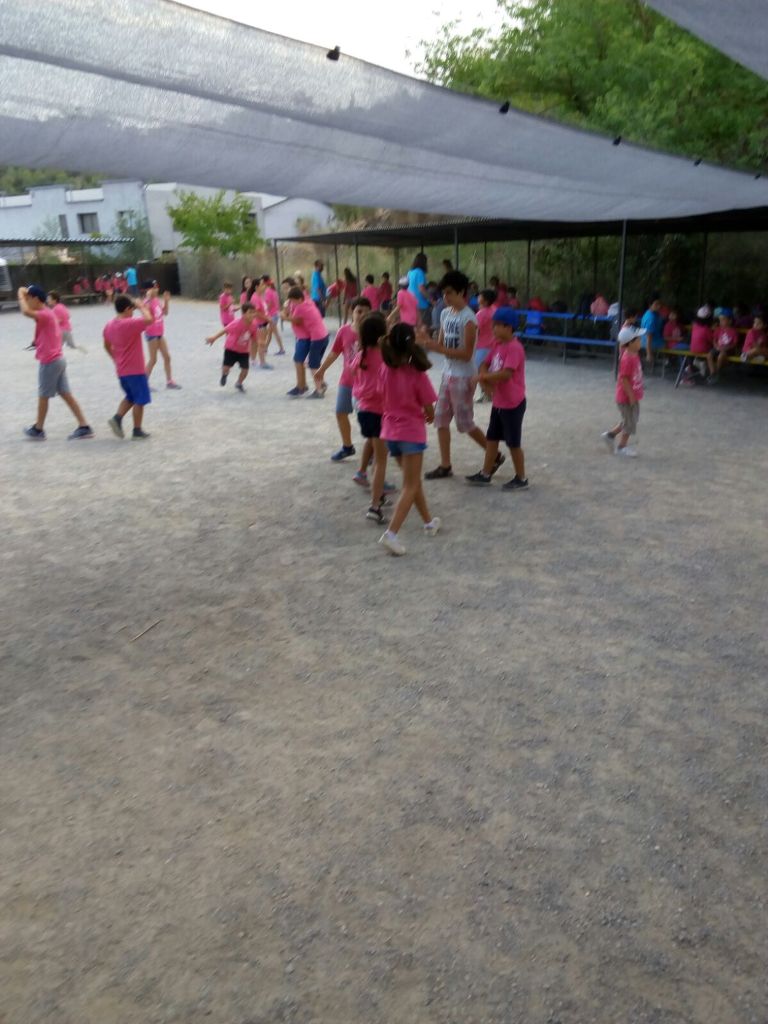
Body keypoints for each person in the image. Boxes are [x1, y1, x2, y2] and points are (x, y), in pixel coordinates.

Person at [423, 271, 501, 480]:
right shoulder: (445, 314)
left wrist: (437, 348)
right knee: (440, 420)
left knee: (464, 423)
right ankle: (445, 465)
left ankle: (494, 454)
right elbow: (440, 343)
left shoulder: (469, 318)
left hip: (463, 376)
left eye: (449, 292)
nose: (445, 297)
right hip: (447, 374)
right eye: (444, 293)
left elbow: (467, 354)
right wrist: (427, 342)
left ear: (461, 292)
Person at [378, 323, 441, 556]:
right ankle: (391, 534)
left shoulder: (384, 369)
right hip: (411, 434)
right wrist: (430, 416)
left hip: (390, 433)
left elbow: (381, 394)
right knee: (410, 485)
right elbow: (429, 406)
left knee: (412, 483)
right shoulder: (417, 373)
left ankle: (429, 522)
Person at [19, 285, 93, 441]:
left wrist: (20, 293)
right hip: (57, 360)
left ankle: (38, 429)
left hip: (50, 361)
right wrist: (27, 294)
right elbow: (30, 309)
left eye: (29, 298)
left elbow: (25, 311)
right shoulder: (46, 312)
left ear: (36, 299)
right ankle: (84, 426)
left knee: (43, 396)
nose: (27, 301)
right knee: (66, 395)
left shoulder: (44, 314)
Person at [466, 307, 528, 489]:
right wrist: (484, 376)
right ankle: (486, 473)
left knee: (513, 443)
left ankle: (521, 478)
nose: (493, 329)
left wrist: (483, 377)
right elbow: (484, 363)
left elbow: (506, 374)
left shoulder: (514, 347)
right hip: (500, 402)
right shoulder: (497, 344)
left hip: (513, 404)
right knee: (492, 438)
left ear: (509, 327)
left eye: (497, 325)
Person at [313, 297, 372, 461]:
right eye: (359, 311)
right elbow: (334, 352)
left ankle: (374, 449)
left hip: (367, 384)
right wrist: (322, 370)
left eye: (366, 312)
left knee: (368, 418)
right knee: (340, 412)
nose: (362, 315)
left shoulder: (374, 332)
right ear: (352, 312)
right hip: (347, 380)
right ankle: (347, 447)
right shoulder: (344, 331)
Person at [349, 312, 390, 524]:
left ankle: (378, 493)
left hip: (363, 410)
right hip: (381, 412)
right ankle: (375, 506)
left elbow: (352, 374)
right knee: (381, 460)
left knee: (375, 450)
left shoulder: (360, 355)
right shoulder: (386, 357)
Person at [104, 294, 155, 439]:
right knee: (140, 400)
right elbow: (149, 319)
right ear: (127, 309)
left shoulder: (109, 325)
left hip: (122, 370)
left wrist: (115, 358)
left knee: (130, 397)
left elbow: (106, 345)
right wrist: (141, 306)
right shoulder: (129, 323)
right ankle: (137, 430)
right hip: (135, 370)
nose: (133, 312)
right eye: (132, 309)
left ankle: (117, 418)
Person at [601, 314, 645, 457]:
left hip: (632, 395)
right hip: (627, 397)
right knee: (630, 423)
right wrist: (631, 396)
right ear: (630, 343)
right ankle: (621, 447)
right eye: (638, 339)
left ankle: (610, 435)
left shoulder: (634, 355)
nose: (641, 341)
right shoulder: (627, 358)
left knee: (629, 420)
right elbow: (624, 379)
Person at [283, 285, 330, 397]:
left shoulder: (300, 307)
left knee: (313, 364)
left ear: (299, 299)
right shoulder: (308, 302)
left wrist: (284, 317)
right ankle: (322, 384)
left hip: (317, 338)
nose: (292, 303)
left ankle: (319, 390)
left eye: (293, 300)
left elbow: (295, 320)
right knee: (315, 363)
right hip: (324, 336)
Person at [205, 302, 259, 392]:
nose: (253, 314)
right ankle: (224, 375)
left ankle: (239, 383)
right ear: (243, 314)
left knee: (245, 370)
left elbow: (254, 339)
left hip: (244, 351)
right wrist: (214, 338)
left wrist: (254, 354)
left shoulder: (254, 325)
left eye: (254, 312)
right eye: (250, 312)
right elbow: (225, 330)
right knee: (226, 368)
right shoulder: (237, 323)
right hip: (231, 349)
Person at [143, 281, 181, 389]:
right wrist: (148, 299)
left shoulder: (156, 300)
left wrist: (166, 301)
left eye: (157, 287)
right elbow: (146, 316)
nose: (157, 289)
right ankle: (143, 384)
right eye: (154, 287)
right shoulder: (146, 302)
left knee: (167, 357)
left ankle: (169, 381)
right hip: (151, 333)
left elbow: (165, 313)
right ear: (148, 289)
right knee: (153, 360)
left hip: (159, 332)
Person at [247, 277, 273, 370]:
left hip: (262, 323)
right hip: (259, 324)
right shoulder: (255, 298)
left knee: (257, 342)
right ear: (256, 287)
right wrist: (268, 318)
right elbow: (257, 312)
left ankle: (253, 360)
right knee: (261, 343)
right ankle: (262, 362)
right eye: (262, 285)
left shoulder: (259, 296)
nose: (264, 286)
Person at [706, 311, 739, 382]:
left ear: (730, 321)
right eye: (720, 320)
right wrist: (716, 346)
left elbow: (735, 344)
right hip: (718, 347)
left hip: (728, 349)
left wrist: (727, 348)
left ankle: (717, 372)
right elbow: (714, 340)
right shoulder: (718, 329)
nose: (721, 322)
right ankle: (712, 373)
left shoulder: (733, 331)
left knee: (721, 356)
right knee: (709, 355)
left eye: (723, 320)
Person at [407, 253, 432, 326]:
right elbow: (421, 289)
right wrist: (431, 299)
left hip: (411, 304)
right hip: (421, 304)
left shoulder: (410, 272)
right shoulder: (420, 272)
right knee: (424, 327)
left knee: (414, 327)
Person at [640, 297, 664, 372]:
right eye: (656, 304)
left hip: (648, 340)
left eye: (659, 304)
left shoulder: (651, 313)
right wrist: (649, 353)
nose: (659, 306)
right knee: (678, 346)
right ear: (650, 305)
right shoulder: (651, 318)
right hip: (653, 342)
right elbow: (649, 336)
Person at [263, 276, 286, 354]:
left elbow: (269, 304)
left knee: (275, 333)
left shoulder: (268, 291)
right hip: (275, 314)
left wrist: (264, 310)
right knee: (270, 333)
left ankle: (282, 349)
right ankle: (265, 348)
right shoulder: (274, 291)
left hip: (272, 315)